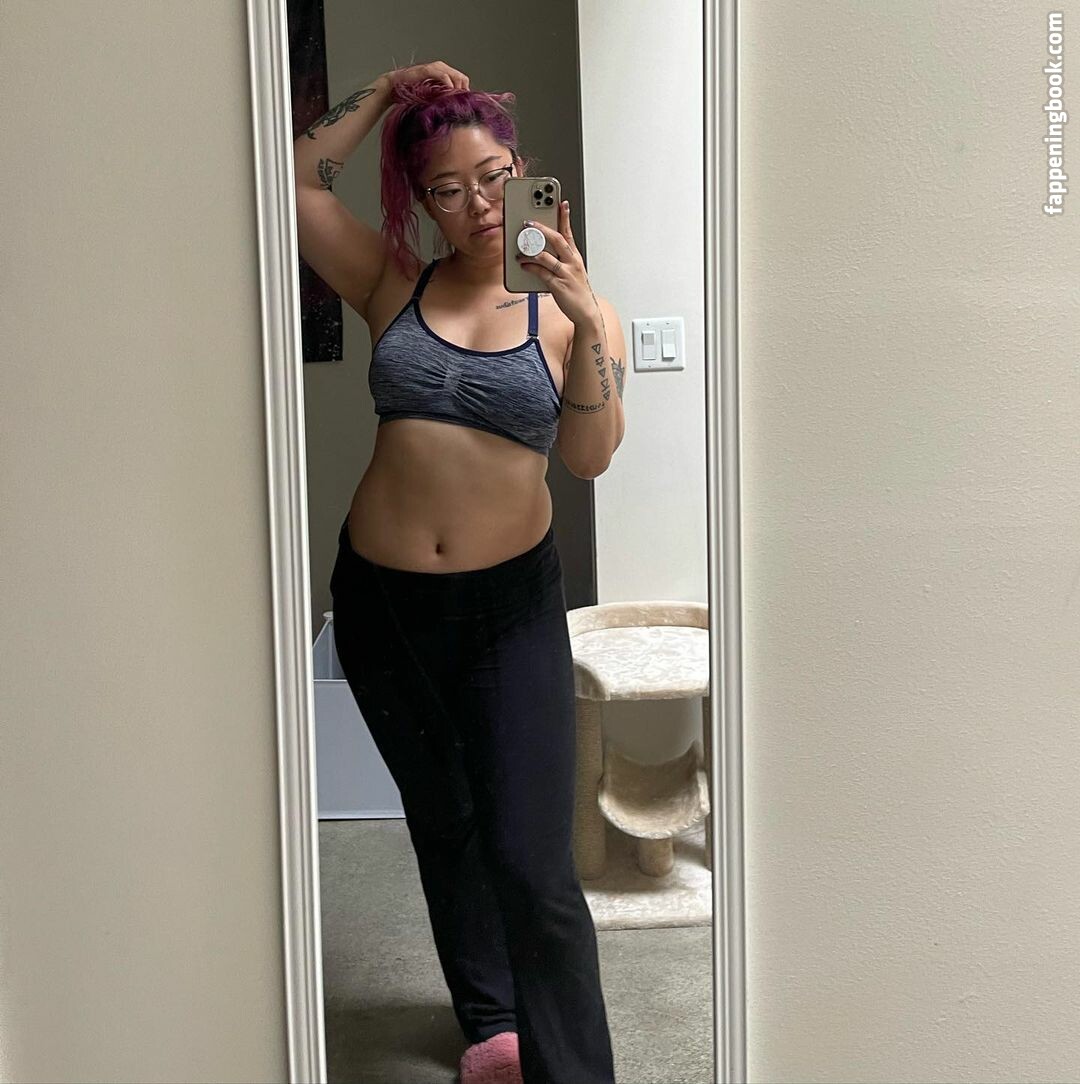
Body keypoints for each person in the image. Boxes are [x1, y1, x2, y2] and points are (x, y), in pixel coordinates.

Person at [293, 59, 627, 1084]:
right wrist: (388, 90)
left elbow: (590, 458)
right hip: (383, 603)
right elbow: (296, 180)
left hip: (507, 610)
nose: (479, 205)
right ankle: (492, 1027)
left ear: (524, 175)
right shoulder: (395, 282)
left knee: (534, 863)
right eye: (447, 189)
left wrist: (582, 320)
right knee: (443, 821)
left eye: (494, 178)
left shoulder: (575, 314)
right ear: (421, 202)